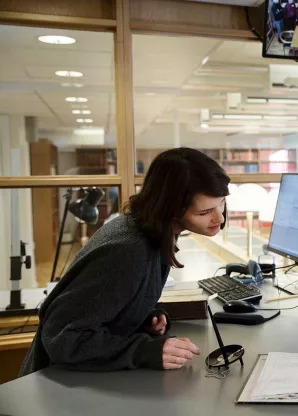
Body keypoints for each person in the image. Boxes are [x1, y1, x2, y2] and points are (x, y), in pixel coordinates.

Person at [20, 148, 231, 376]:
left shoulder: (152, 229)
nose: (219, 218)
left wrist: (139, 317)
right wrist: (143, 350)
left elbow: (103, 303)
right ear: (172, 209)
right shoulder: (129, 250)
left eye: (221, 204)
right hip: (57, 387)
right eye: (205, 212)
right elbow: (62, 338)